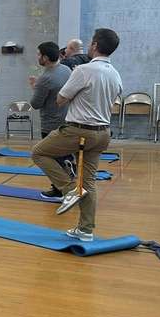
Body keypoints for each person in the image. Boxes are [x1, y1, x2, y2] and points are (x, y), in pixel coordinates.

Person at [32, 28, 123, 242]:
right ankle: (85, 230)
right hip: (103, 133)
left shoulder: (83, 70)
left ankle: (70, 189)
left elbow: (61, 99)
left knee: (38, 153)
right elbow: (114, 102)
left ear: (94, 46)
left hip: (79, 130)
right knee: (89, 181)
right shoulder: (115, 73)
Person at [28, 41, 74, 197]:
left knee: (49, 158)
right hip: (68, 120)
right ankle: (63, 186)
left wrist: (35, 87)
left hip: (50, 124)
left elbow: (35, 104)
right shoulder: (66, 70)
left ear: (46, 57)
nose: (37, 57)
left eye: (39, 54)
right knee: (64, 157)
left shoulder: (45, 78)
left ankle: (62, 189)